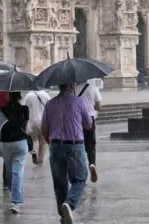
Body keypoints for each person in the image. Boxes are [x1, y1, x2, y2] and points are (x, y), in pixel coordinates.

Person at [40, 82, 93, 224]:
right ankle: (69, 204)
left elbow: (44, 128)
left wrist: (51, 143)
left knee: (60, 182)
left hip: (56, 145)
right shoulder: (79, 101)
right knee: (80, 178)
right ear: (70, 85)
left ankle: (63, 216)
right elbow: (88, 125)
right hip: (75, 145)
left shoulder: (50, 104)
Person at [0, 91, 30, 214]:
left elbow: (0, 127)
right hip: (20, 141)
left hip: (5, 142)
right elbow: (25, 127)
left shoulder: (2, 109)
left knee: (10, 170)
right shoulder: (24, 109)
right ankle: (15, 201)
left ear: (9, 95)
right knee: (18, 171)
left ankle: (13, 194)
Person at [77, 78, 103, 183]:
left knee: (79, 145)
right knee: (91, 145)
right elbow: (99, 107)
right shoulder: (93, 88)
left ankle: (81, 170)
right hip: (90, 119)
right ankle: (92, 164)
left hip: (77, 120)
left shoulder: (73, 89)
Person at [23, 88, 50, 165]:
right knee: (43, 141)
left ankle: (34, 151)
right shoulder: (45, 94)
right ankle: (40, 159)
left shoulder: (28, 95)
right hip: (43, 121)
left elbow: (25, 108)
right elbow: (50, 106)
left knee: (34, 140)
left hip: (32, 121)